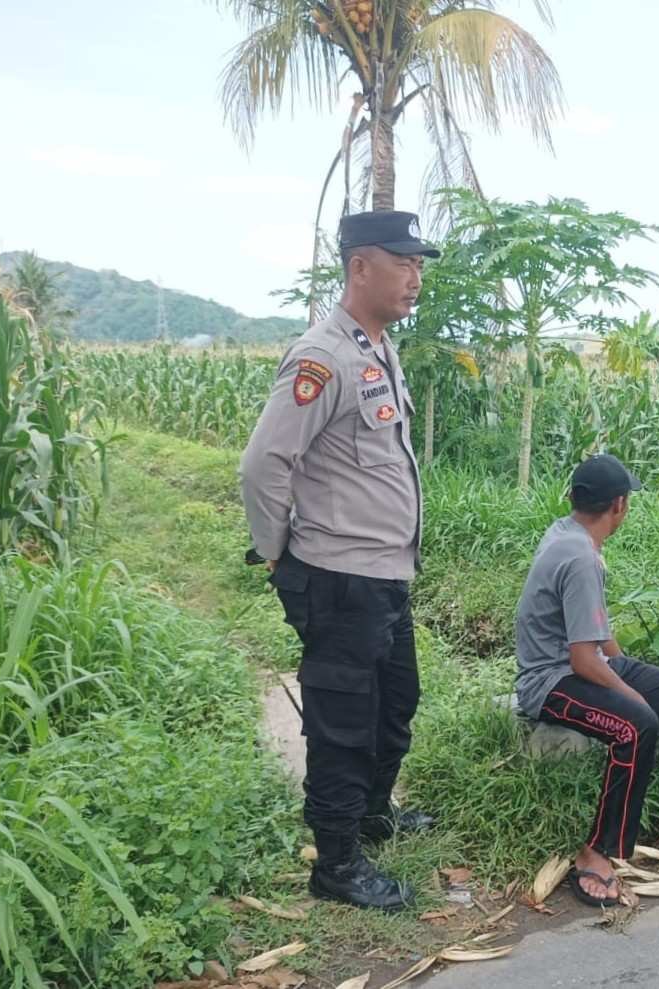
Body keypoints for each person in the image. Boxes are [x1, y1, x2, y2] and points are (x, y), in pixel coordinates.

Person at [239, 210, 439, 911]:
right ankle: (337, 863)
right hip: (341, 577)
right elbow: (265, 463)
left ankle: (371, 814)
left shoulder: (377, 347)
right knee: (343, 723)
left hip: (385, 576)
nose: (415, 276)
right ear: (360, 267)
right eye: (403, 261)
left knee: (395, 705)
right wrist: (277, 556)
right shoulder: (321, 356)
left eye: (420, 264)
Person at [515, 453, 659, 908]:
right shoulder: (580, 556)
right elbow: (583, 660)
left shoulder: (567, 533)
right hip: (550, 682)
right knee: (635, 723)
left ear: (574, 499)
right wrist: (631, 693)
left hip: (580, 663)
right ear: (619, 505)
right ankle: (599, 849)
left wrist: (629, 669)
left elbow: (595, 632)